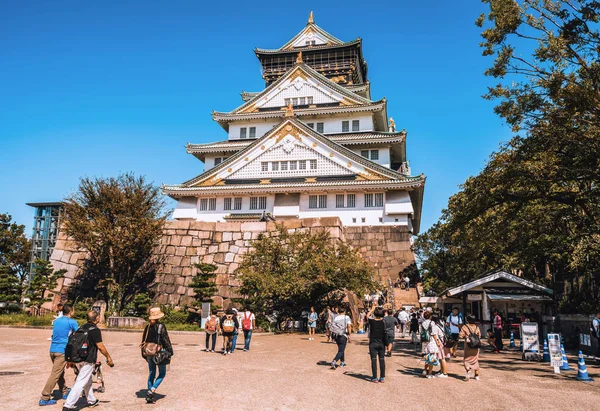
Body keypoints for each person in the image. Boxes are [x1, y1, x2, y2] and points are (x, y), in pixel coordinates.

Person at [63, 311, 114, 410]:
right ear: (97, 319)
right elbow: (100, 346)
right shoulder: (95, 330)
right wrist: (108, 357)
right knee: (81, 381)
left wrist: (70, 359)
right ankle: (68, 405)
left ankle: (91, 400)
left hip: (77, 358)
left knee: (87, 380)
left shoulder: (81, 328)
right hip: (88, 359)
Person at [39, 304, 78, 406]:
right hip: (62, 350)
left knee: (59, 372)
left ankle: (64, 391)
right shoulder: (72, 322)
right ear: (70, 311)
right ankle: (45, 397)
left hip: (52, 350)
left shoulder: (57, 321)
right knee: (55, 374)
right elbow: (78, 336)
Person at [141, 307, 173, 403]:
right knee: (162, 373)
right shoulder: (161, 326)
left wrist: (144, 355)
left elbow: (143, 341)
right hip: (158, 353)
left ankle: (149, 394)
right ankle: (152, 390)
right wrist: (170, 351)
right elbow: (165, 339)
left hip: (149, 352)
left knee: (152, 372)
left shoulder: (147, 327)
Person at [419, 311, 443, 378]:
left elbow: (420, 331)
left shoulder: (422, 323)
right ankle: (429, 373)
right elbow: (434, 333)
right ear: (430, 316)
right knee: (431, 357)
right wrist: (437, 342)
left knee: (427, 357)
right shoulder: (432, 323)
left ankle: (424, 370)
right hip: (431, 341)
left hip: (425, 341)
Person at [366, 305, 386, 383]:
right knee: (382, 360)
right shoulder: (384, 321)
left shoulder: (372, 321)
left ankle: (374, 377)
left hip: (373, 343)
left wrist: (372, 309)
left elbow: (367, 316)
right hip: (381, 343)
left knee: (373, 360)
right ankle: (382, 377)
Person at [459, 314, 481, 381]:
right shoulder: (477, 327)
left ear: (467, 320)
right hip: (476, 346)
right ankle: (476, 375)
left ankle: (468, 370)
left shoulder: (464, 327)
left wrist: (466, 336)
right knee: (475, 360)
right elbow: (479, 336)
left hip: (468, 346)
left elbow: (460, 336)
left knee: (466, 360)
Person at [432, 314, 449, 378]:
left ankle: (444, 373)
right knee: (441, 358)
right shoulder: (442, 323)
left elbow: (435, 335)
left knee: (442, 358)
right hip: (443, 341)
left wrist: (437, 343)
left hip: (439, 342)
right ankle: (442, 371)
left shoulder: (435, 326)